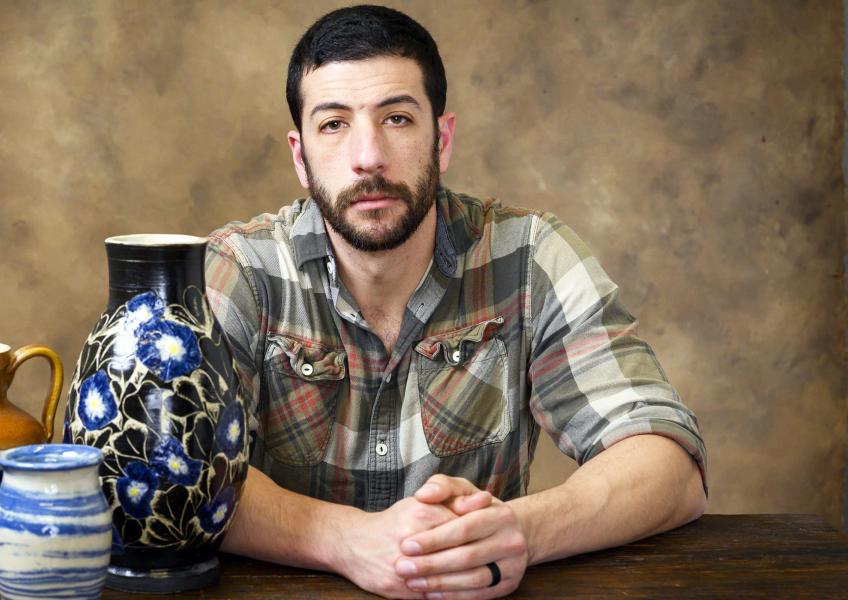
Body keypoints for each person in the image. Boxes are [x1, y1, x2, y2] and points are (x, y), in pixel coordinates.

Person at [203, 5, 708, 599]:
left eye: (396, 117)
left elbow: (669, 464)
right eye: (334, 124)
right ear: (300, 155)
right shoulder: (242, 270)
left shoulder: (529, 258)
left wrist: (519, 531)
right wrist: (345, 539)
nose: (368, 156)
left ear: (440, 140)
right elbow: (176, 470)